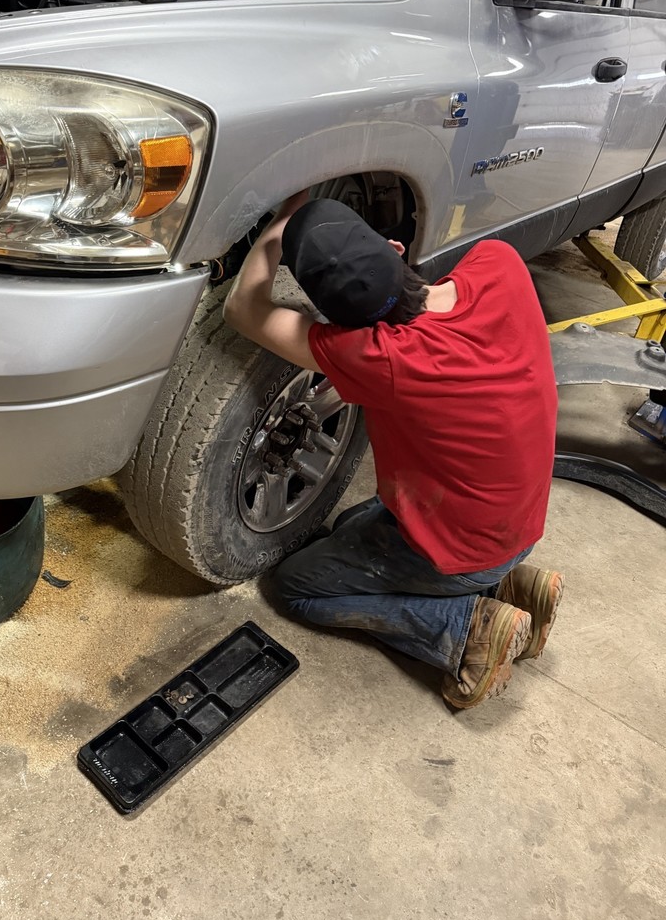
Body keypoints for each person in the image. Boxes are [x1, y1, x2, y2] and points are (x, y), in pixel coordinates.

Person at [223, 193, 563, 709]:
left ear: (335, 322)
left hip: (466, 548)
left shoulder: (382, 357)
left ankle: (466, 626)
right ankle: (514, 586)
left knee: (295, 588)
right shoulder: (501, 265)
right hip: (517, 523)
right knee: (348, 526)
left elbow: (243, 308)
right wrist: (310, 208)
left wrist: (278, 222)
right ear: (395, 248)